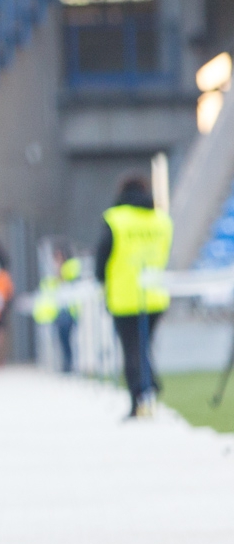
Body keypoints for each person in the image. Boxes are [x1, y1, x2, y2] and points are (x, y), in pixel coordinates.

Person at [97, 175, 173, 418]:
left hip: (124, 296)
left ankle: (139, 397)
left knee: (131, 350)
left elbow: (102, 256)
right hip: (155, 295)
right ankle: (149, 387)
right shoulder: (161, 220)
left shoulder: (116, 219)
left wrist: (102, 281)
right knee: (143, 347)